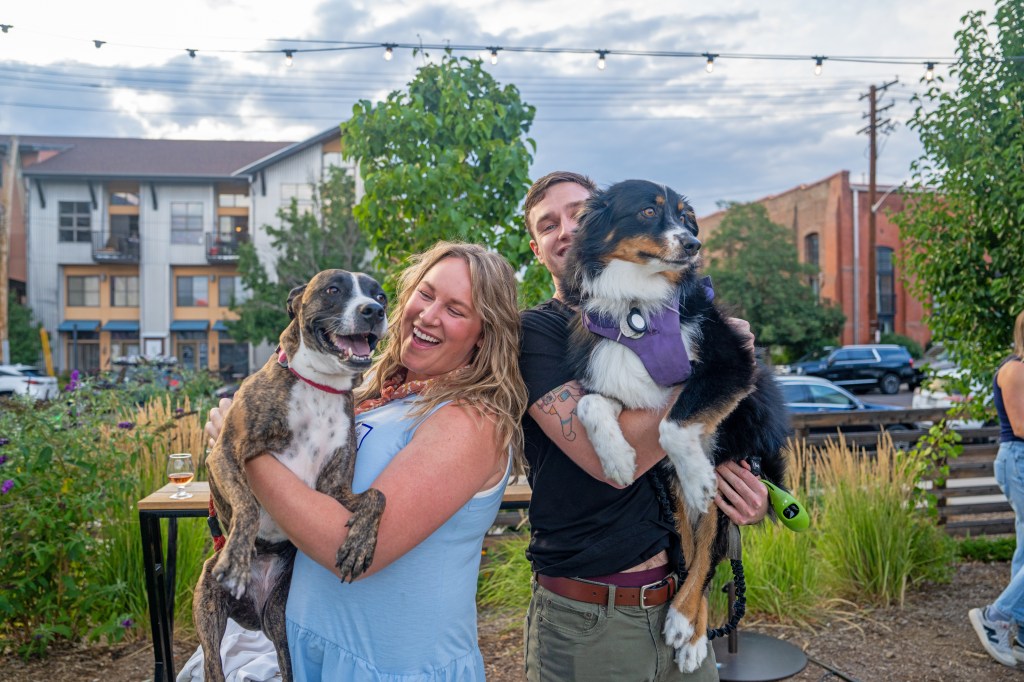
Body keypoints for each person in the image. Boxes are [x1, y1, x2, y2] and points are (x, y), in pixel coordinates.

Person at [181, 241, 528, 680]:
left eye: (456, 310)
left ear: (484, 334)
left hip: (388, 666)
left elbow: (357, 549)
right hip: (311, 650)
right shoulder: (366, 394)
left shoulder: (471, 420)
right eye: (425, 294)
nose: (428, 315)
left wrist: (241, 449)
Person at [519, 171, 770, 681]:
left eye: (578, 214)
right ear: (535, 249)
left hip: (681, 600)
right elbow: (612, 464)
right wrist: (702, 373)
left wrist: (753, 495)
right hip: (591, 617)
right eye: (548, 224)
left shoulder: (672, 308)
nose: (568, 229)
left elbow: (731, 435)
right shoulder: (535, 332)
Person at [970, 310, 1024, 668]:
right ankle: (997, 616)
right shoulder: (1015, 369)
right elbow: (1020, 426)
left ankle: (1020, 632)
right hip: (1019, 458)